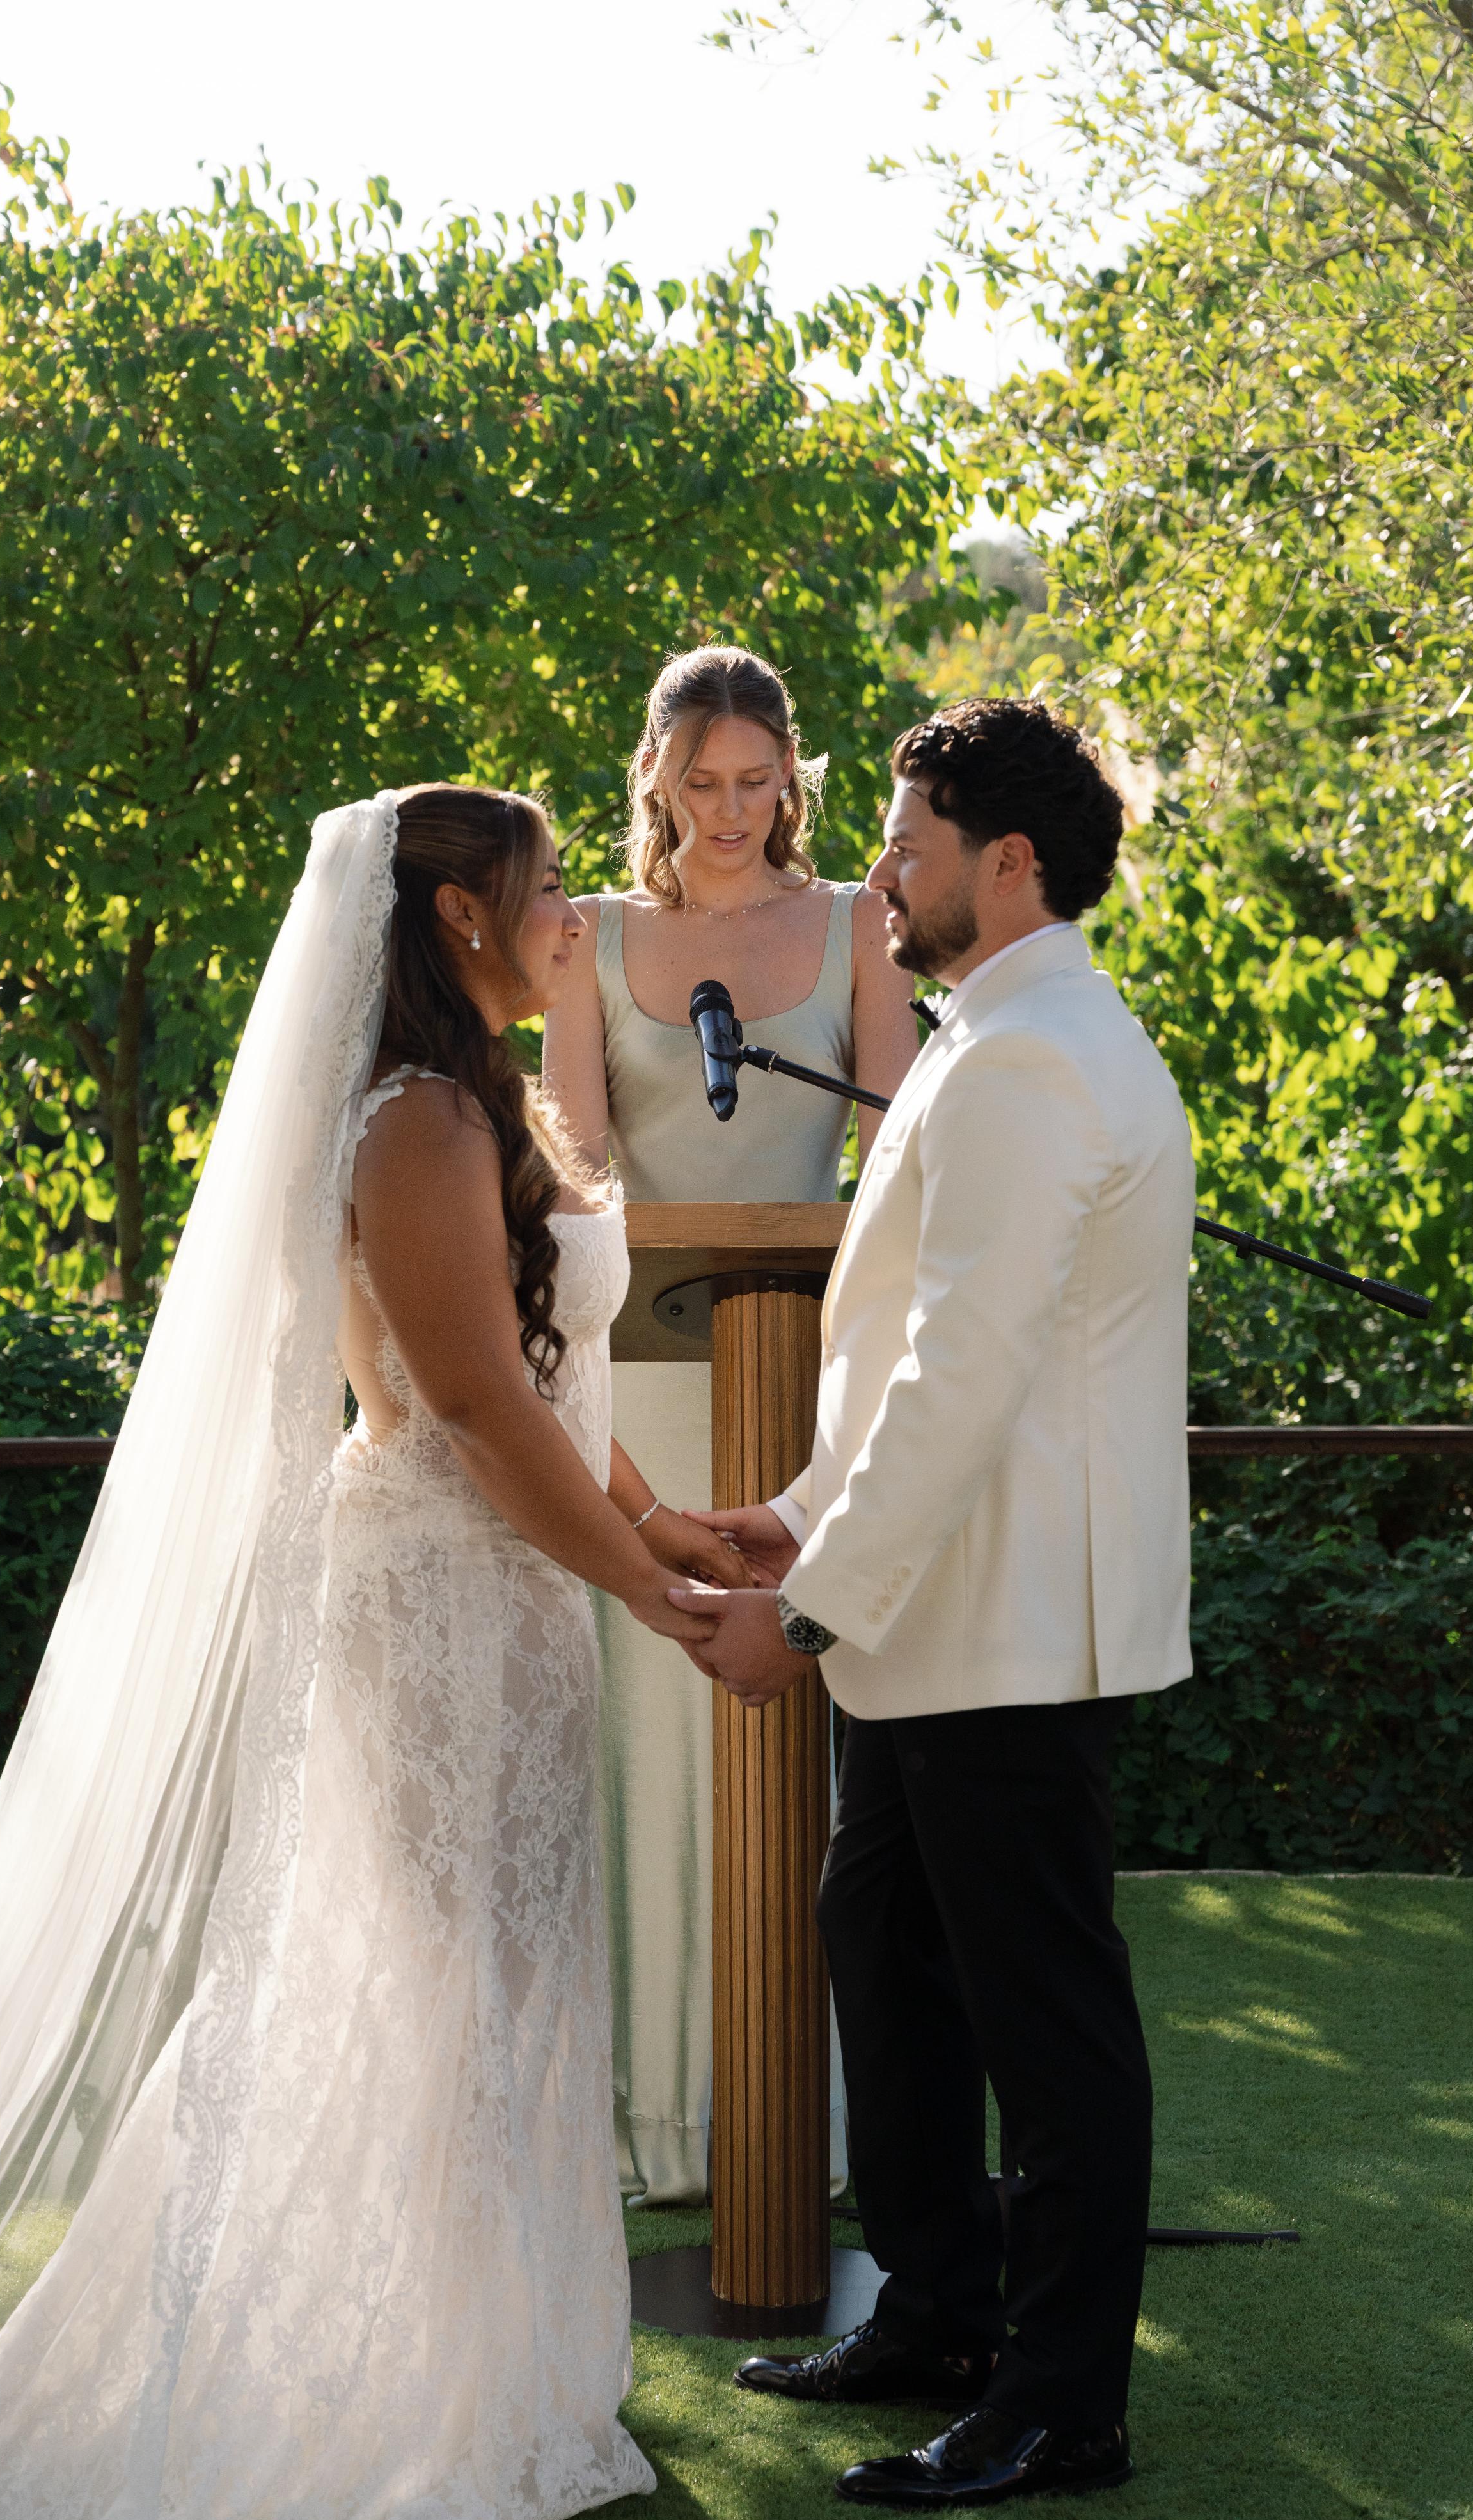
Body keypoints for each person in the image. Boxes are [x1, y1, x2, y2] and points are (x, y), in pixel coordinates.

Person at [0, 786, 743, 2520]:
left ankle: (497, 2370)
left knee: (494, 1984)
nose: (564, 926)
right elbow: (461, 1411)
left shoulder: (479, 1112)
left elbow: (539, 1385)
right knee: (444, 1989)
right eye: (536, 901)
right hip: (438, 1601)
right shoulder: (415, 1125)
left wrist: (667, 1533)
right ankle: (431, 2393)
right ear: (448, 918)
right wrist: (660, 1600)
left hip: (505, 1595)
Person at [675, 698, 1195, 2509]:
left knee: (1041, 2022)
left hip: (1002, 1621)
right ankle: (938, 2311)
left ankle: (1059, 2403)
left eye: (906, 842)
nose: (879, 869)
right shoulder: (1000, 1038)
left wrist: (802, 1610)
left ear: (1008, 861)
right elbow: (913, 1352)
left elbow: (963, 1379)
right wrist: (790, 1517)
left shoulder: (1035, 1059)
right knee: (882, 1962)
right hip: (923, 1606)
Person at [546, 643, 918, 2201]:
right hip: (641, 1387)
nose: (725, 810)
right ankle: (654, 2122)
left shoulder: (858, 929)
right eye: (699, 783)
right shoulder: (585, 939)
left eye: (754, 782)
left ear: (791, 780)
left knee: (793, 1746)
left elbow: (904, 1157)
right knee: (651, 1741)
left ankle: (788, 2122)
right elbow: (563, 1175)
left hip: (808, 1394)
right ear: (654, 777)